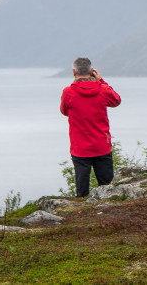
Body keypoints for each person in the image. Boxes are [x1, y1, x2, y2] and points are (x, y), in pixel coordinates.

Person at [60, 57, 121, 197]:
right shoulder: (103, 89)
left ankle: (81, 215)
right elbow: (116, 100)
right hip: (102, 145)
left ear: (74, 72)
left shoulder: (68, 92)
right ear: (91, 71)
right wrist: (101, 80)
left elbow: (64, 112)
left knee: (81, 191)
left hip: (80, 148)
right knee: (107, 187)